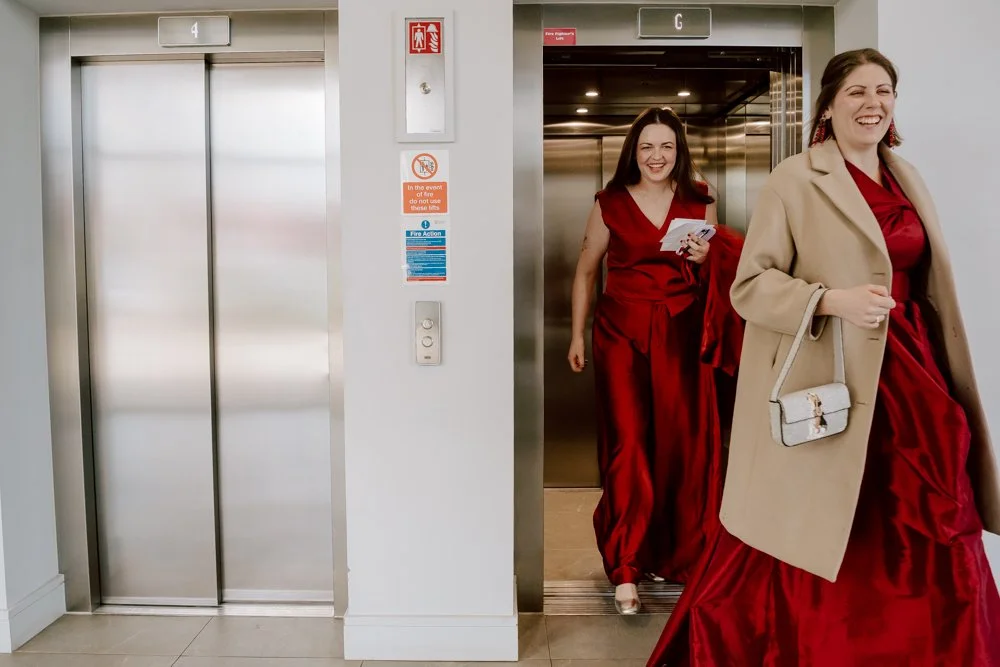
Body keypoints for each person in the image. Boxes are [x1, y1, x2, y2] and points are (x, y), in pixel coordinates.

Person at [648, 48, 1000, 666]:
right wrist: (830, 300)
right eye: (857, 93)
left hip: (915, 367)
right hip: (834, 374)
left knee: (940, 503)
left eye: (884, 91)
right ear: (829, 107)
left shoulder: (907, 175)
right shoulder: (794, 178)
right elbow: (750, 287)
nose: (873, 104)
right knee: (830, 519)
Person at [567, 106, 744, 615]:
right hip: (620, 335)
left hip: (682, 333)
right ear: (633, 152)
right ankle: (625, 567)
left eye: (666, 146)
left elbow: (720, 264)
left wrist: (707, 259)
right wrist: (576, 334)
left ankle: (685, 556)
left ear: (679, 151)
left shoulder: (699, 198)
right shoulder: (609, 202)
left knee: (686, 444)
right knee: (628, 444)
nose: (656, 156)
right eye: (647, 146)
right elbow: (585, 271)